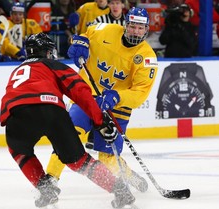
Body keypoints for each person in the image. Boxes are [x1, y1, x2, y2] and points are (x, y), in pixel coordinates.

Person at [0, 32, 135, 209]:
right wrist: (100, 121)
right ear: (47, 52)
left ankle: (45, 188)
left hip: (17, 114)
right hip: (52, 111)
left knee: (19, 151)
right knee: (79, 161)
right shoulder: (52, 65)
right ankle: (120, 191)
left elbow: (9, 101)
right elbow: (80, 91)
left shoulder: (16, 71)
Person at [46, 7, 158, 193]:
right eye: (132, 26)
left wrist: (117, 96)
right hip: (86, 96)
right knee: (69, 136)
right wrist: (80, 43)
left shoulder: (147, 58)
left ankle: (129, 176)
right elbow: (85, 34)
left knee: (108, 156)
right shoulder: (105, 30)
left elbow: (140, 93)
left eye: (140, 28)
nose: (135, 31)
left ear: (146, 29)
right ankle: (50, 178)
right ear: (125, 25)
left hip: (117, 107)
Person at [85, 0, 126, 149]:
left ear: (123, 5)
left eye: (118, 3)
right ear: (108, 5)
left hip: (120, 67)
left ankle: (106, 135)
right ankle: (93, 132)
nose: (115, 6)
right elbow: (87, 36)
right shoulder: (99, 21)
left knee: (111, 102)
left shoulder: (130, 23)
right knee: (96, 98)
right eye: (112, 3)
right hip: (102, 64)